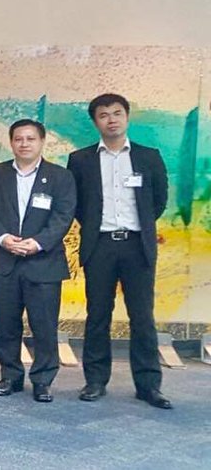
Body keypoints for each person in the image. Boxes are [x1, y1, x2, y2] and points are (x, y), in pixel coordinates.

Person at [67, 93, 171, 409]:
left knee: (143, 317)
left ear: (126, 117)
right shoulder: (80, 160)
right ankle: (95, 380)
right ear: (95, 121)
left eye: (116, 113)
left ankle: (149, 385)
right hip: (99, 245)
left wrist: (137, 226)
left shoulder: (149, 157)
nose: (111, 119)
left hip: (137, 246)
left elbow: (158, 200)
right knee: (98, 315)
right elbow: (77, 204)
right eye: (103, 115)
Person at [0, 119, 75, 403]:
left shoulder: (60, 176)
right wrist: (2, 238)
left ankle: (43, 380)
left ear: (42, 142)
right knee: (6, 324)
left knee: (44, 326)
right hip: (4, 260)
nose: (24, 144)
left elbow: (64, 215)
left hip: (43, 263)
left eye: (30, 139)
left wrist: (38, 242)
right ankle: (10, 376)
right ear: (11, 142)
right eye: (18, 139)